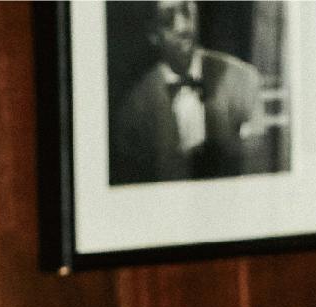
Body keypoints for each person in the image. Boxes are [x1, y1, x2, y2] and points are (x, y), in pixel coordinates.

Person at [110, 0, 273, 184]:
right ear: (153, 34)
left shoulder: (242, 79)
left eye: (186, 11)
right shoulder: (134, 109)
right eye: (168, 19)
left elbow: (258, 167)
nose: (183, 27)